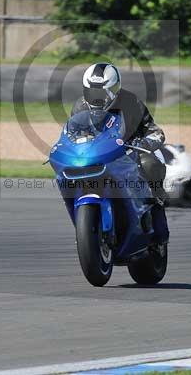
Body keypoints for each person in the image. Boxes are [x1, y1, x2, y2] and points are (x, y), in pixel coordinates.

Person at [71, 63, 169, 244]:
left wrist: (143, 143)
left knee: (149, 165)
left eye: (103, 93)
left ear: (115, 89)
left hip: (129, 153)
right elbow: (73, 133)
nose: (97, 98)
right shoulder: (80, 106)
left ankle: (157, 219)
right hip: (99, 156)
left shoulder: (131, 102)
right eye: (92, 92)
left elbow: (156, 132)